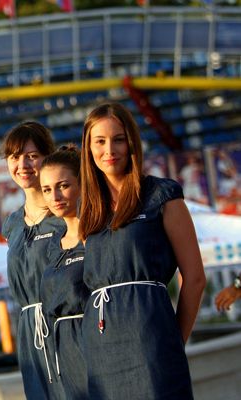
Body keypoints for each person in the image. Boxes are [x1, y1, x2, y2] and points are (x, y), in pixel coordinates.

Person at [78, 102, 206, 399]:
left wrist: (173, 341)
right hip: (101, 353)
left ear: (132, 143)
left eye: (118, 139)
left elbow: (196, 278)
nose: (109, 149)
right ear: (88, 147)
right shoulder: (88, 211)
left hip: (153, 345)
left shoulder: (162, 195)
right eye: (100, 141)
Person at [0, 121, 66, 399]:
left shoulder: (66, 214)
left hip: (66, 329)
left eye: (32, 155)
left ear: (47, 158)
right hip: (30, 335)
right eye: (15, 157)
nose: (22, 164)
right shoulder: (12, 224)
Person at [38, 146, 89, 399]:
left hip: (96, 347)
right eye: (47, 189)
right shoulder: (53, 244)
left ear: (82, 184)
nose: (55, 196)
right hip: (63, 357)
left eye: (63, 186)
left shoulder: (98, 236)